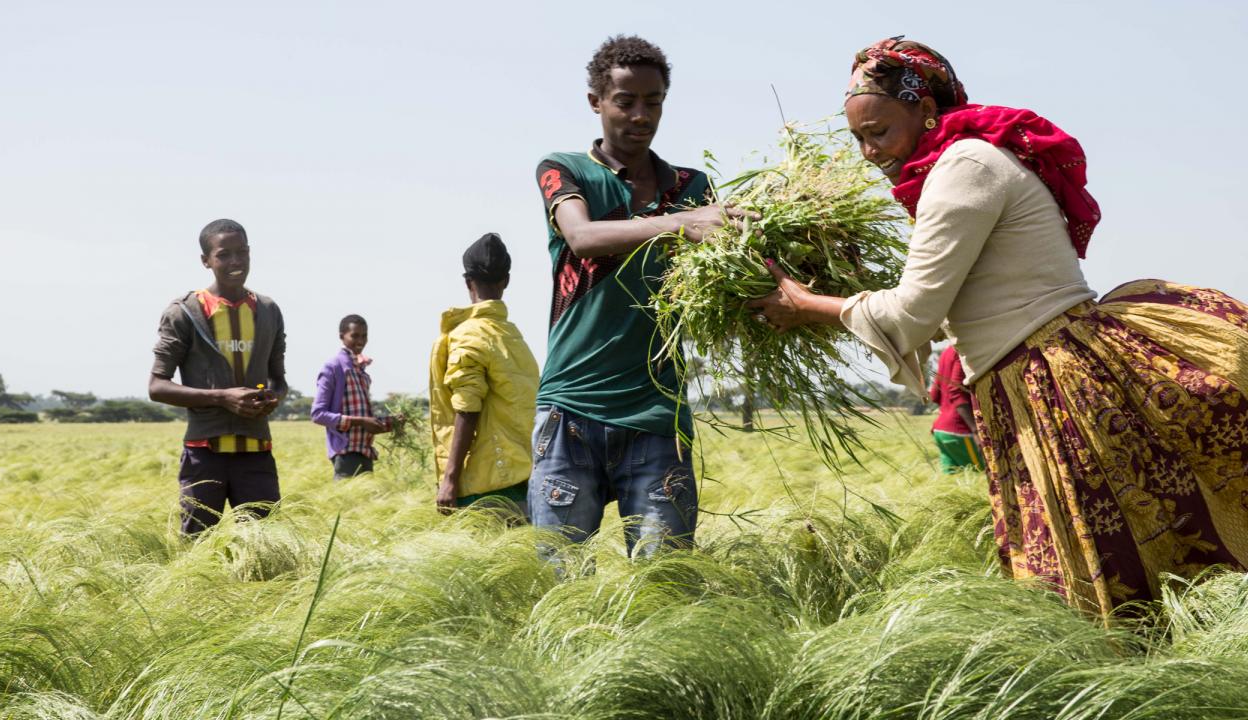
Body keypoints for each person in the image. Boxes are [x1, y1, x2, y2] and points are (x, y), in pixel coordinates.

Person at [747, 37, 1248, 616]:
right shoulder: (963, 161)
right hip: (1026, 374)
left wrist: (804, 302)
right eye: (857, 137)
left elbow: (913, 313)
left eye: (878, 132)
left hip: (1055, 379)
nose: (867, 151)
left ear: (926, 110)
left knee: (1094, 574)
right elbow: (958, 305)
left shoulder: (963, 168)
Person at [530, 35, 747, 556]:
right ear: (596, 102)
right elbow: (582, 237)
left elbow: (725, 275)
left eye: (653, 102)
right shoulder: (566, 169)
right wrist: (681, 224)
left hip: (656, 414)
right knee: (557, 578)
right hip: (572, 410)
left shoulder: (692, 187)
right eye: (625, 101)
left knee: (664, 580)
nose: (640, 115)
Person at [149, 219, 287, 535]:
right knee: (198, 544)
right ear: (206, 261)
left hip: (256, 453)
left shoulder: (268, 311)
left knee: (264, 547)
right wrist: (222, 398)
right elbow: (157, 386)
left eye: (242, 252)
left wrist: (273, 398)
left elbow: (278, 379)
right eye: (224, 254)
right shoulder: (185, 312)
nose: (235, 262)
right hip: (203, 453)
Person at [429, 233, 540, 516]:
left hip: (486, 484)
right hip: (525, 475)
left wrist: (450, 479)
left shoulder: (468, 335)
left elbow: (467, 409)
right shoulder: (514, 337)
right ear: (507, 281)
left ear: (468, 282)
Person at [311, 315, 395, 479]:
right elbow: (318, 414)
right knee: (348, 503)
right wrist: (362, 421)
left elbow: (365, 417)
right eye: (355, 335)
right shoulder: (334, 367)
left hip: (365, 451)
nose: (360, 341)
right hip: (346, 453)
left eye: (364, 336)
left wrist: (391, 422)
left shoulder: (361, 371)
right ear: (342, 336)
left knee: (367, 504)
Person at [928, 343, 983, 473]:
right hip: (961, 431)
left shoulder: (946, 352)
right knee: (981, 476)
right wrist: (976, 431)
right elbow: (956, 391)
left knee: (953, 485)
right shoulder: (961, 349)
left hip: (940, 432)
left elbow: (935, 395)